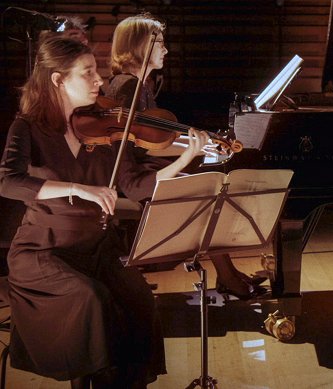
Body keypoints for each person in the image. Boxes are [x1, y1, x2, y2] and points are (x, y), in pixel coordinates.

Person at [0, 35, 210, 388]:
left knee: (140, 300)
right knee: (90, 300)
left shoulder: (106, 130)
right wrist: (76, 188)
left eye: (96, 71)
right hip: (44, 252)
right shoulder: (28, 128)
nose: (99, 80)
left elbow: (137, 184)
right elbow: (8, 182)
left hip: (97, 249)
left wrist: (187, 158)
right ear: (58, 80)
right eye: (88, 73)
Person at [106, 13, 266, 299]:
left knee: (211, 190)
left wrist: (201, 146)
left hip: (144, 167)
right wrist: (191, 149)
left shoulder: (140, 86)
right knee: (208, 194)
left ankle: (227, 273)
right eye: (159, 44)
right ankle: (227, 275)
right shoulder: (127, 87)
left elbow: (151, 141)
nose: (166, 50)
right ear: (139, 45)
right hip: (131, 178)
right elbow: (134, 153)